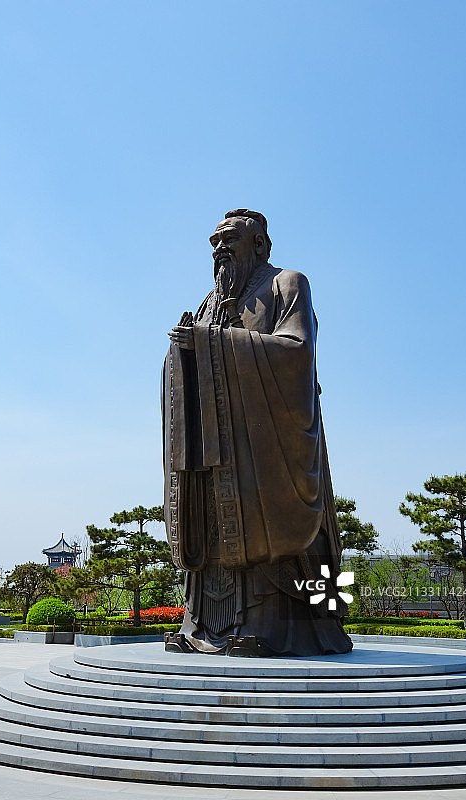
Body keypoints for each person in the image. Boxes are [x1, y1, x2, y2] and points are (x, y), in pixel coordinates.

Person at [162, 209, 352, 657]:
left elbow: (296, 352)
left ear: (260, 244)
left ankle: (278, 628)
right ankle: (205, 625)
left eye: (229, 240)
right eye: (214, 243)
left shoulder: (287, 284)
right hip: (217, 448)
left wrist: (212, 343)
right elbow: (189, 361)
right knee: (213, 528)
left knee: (275, 526)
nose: (219, 249)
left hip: (269, 445)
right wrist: (184, 353)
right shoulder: (209, 303)